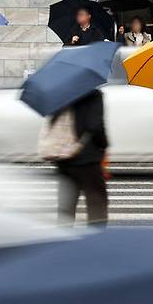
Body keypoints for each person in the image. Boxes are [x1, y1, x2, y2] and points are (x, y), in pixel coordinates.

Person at [55, 90, 109, 226]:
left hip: (64, 158)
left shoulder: (59, 94)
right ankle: (96, 241)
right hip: (88, 159)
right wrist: (104, 144)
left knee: (66, 207)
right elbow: (95, 125)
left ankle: (63, 240)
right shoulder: (93, 94)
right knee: (96, 204)